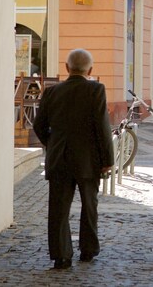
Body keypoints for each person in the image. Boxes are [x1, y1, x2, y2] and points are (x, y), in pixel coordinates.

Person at [33, 48, 114, 270]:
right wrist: (108, 158)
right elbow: (102, 127)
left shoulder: (52, 92)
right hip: (88, 160)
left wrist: (52, 143)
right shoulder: (96, 90)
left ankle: (61, 256)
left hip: (59, 158)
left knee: (58, 208)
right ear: (91, 69)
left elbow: (39, 125)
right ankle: (87, 250)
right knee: (89, 205)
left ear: (67, 68)